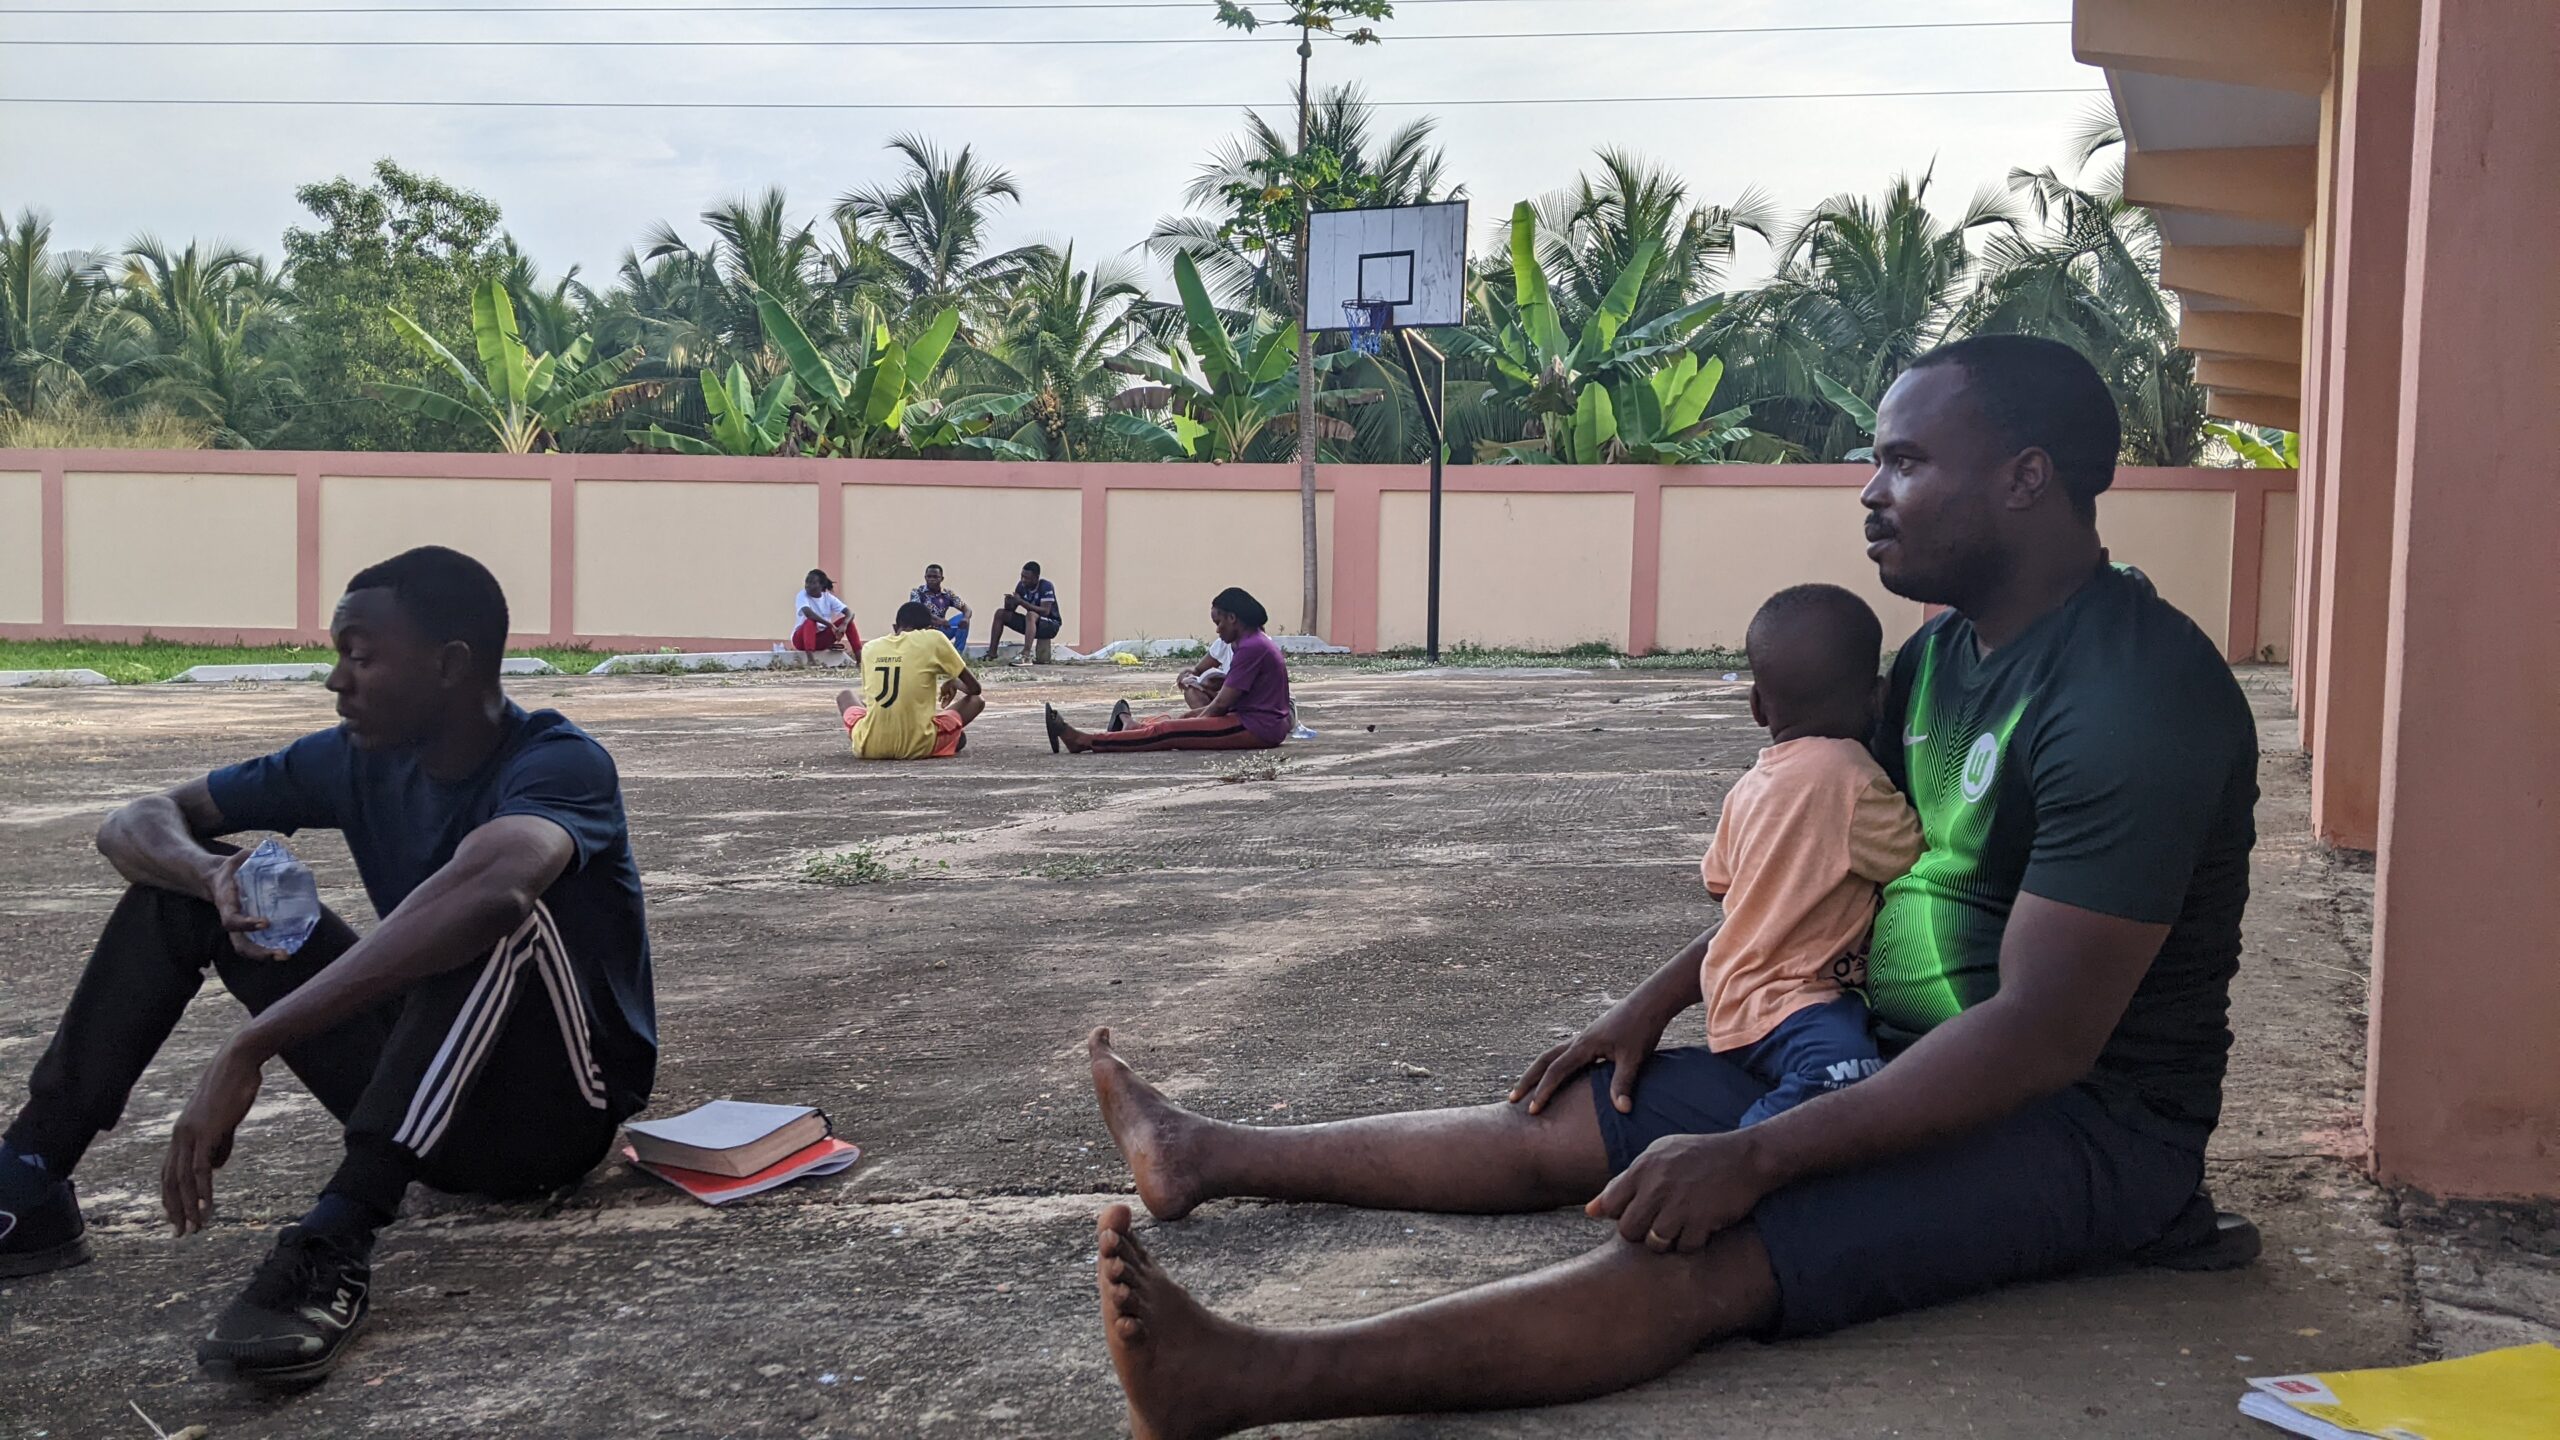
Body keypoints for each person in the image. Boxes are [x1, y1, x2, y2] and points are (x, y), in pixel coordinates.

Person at [1076, 334, 2261, 1437]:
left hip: (2078, 1127)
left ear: (2024, 478)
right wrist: (1658, 998)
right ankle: (1204, 1153)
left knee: (1701, 1247)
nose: (1868, 493)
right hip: (1868, 1050)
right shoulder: (1946, 654)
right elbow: (1817, 881)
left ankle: (1246, 1380)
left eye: (1903, 461)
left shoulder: (2132, 698)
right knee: (1554, 1126)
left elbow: (2042, 1040)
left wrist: (1762, 1156)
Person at [0, 546, 655, 1388]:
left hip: (555, 1112)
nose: (335, 680)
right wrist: (210, 876)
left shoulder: (559, 762)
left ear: (451, 665)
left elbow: (497, 890)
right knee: (181, 893)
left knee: (487, 918)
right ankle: (30, 1177)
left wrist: (253, 1044)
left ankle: (334, 1239)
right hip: (427, 1093)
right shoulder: (352, 757)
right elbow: (136, 819)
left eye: (360, 654)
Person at [1699, 583, 1922, 1127]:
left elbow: (1719, 881)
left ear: (1756, 706)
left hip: (1731, 994)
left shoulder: (1750, 785)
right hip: (1795, 1000)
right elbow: (1915, 856)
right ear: (1877, 698)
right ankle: (1741, 1156)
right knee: (1846, 1075)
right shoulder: (1852, 777)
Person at [1045, 588, 1290, 756]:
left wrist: (1190, 723)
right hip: (1252, 720)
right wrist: (1190, 719)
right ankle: (1131, 728)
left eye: (1219, 622)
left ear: (1233, 618)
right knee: (1179, 721)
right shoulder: (1253, 642)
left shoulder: (1252, 647)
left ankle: (1085, 741)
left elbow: (1220, 706)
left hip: (1257, 727)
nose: (1217, 630)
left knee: (1168, 733)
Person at [837, 601, 984, 760]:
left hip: (869, 746)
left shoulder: (870, 648)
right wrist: (953, 681)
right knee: (976, 701)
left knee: (845, 696)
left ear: (895, 628)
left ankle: (877, 731)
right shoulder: (933, 638)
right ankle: (947, 740)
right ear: (929, 628)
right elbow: (974, 688)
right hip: (918, 745)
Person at [983, 560, 1062, 664]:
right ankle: (992, 654)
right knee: (1000, 613)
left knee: (1031, 615)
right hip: (1032, 624)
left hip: (1050, 624)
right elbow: (1012, 610)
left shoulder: (1046, 586)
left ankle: (1026, 655)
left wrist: (1021, 602)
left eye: (1027, 578)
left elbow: (1045, 611)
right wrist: (1009, 603)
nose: (1023, 580)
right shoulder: (1021, 586)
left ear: (1036, 578)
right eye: (1022, 576)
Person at [790, 569, 857, 658]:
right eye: (807, 582)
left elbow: (850, 613)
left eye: (812, 583)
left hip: (820, 640)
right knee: (810, 621)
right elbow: (808, 613)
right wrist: (830, 625)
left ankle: (859, 658)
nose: (808, 586)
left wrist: (844, 625)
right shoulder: (802, 595)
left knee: (849, 622)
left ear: (821, 585)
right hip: (801, 640)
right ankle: (811, 660)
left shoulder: (828, 598)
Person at [909, 564, 973, 650]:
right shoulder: (917, 592)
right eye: (929, 576)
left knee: (963, 618)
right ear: (925, 577)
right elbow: (918, 611)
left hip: (941, 631)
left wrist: (965, 618)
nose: (932, 579)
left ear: (942, 579)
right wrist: (938, 620)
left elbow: (967, 609)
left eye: (935, 577)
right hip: (922, 633)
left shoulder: (947, 594)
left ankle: (958, 656)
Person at [1175, 635, 1233, 714]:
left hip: (1242, 699)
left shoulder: (1250, 647)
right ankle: (1211, 723)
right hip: (1223, 696)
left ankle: (1209, 721)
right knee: (1191, 690)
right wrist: (1187, 676)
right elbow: (1198, 670)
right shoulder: (1224, 643)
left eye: (1219, 623)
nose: (1217, 630)